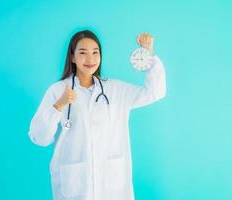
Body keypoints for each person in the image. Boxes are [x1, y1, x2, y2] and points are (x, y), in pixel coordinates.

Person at [28, 29, 166, 200]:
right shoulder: (57, 91)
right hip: (74, 188)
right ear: (72, 57)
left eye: (95, 52)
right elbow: (39, 138)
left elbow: (155, 92)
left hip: (113, 187)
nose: (90, 59)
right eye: (83, 53)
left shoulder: (115, 90)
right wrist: (58, 105)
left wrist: (148, 55)